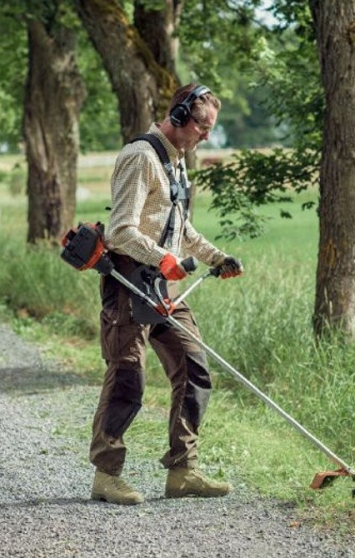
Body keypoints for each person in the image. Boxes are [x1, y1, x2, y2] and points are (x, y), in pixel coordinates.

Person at [90, 83, 244, 505]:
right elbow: (120, 230)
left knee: (194, 368)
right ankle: (106, 474)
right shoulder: (140, 157)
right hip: (128, 281)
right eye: (201, 125)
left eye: (210, 128)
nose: (206, 136)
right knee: (128, 377)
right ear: (178, 116)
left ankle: (183, 470)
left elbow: (182, 228)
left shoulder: (177, 162)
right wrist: (162, 258)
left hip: (164, 284)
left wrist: (215, 257)